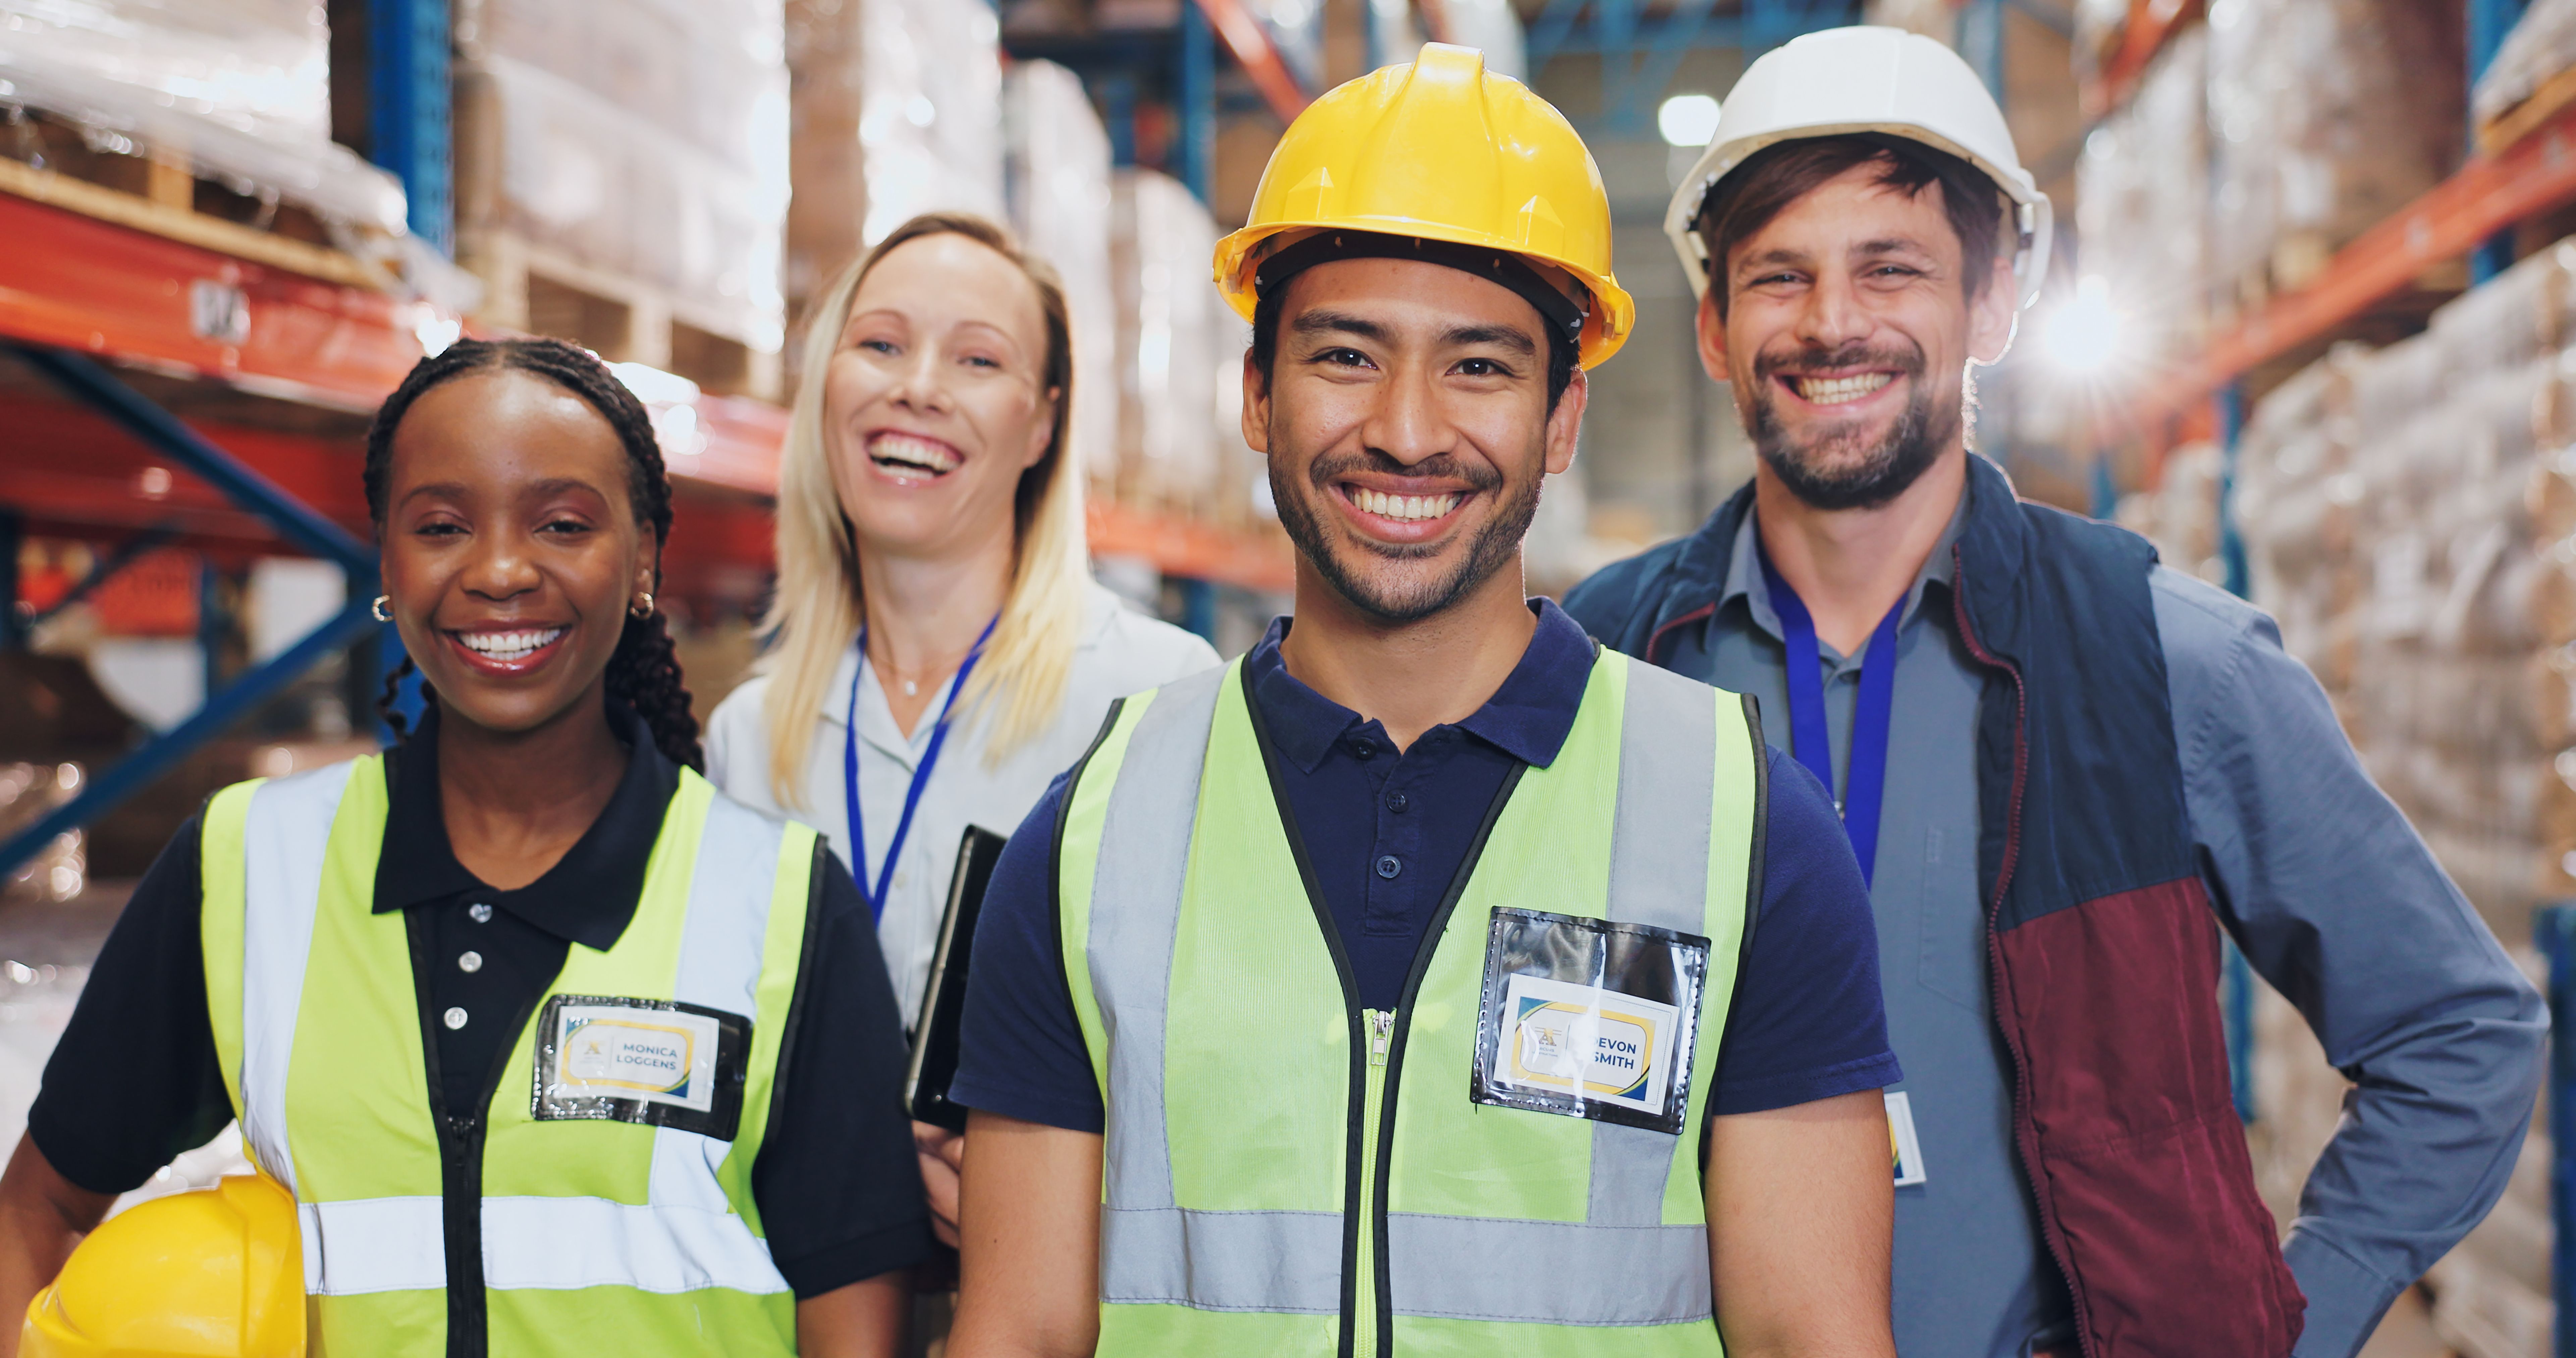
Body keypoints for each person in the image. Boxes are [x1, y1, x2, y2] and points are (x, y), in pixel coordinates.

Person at [1565, 26, 2549, 1358]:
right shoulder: (1607, 666)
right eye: (1778, 277)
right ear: (1716, 332)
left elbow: (2462, 1032)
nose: (1833, 321)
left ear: (1994, 302)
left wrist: (2274, 1327)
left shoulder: (2165, 662)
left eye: (1891, 267)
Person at [945, 44, 1903, 1358]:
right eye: (1345, 354)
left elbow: (1818, 1336)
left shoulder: (1744, 828)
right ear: (1255, 397)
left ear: (1563, 422)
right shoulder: (1097, 833)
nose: (1406, 428)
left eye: (1480, 367)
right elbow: (1019, 1333)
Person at [0, 339, 929, 1357]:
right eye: (442, 526)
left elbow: (854, 1316)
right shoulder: (247, 868)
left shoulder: (781, 903)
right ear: (388, 563)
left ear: (646, 559)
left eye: (563, 524)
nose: (497, 570)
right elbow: (36, 1208)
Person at [703, 212, 1217, 1250]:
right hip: (811, 1287)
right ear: (827, 386)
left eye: (978, 359)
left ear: (1040, 425)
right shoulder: (751, 735)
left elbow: (1211, 1065)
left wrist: (1048, 1191)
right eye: (881, 344)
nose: (920, 386)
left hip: (1051, 1296)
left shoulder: (1156, 696)